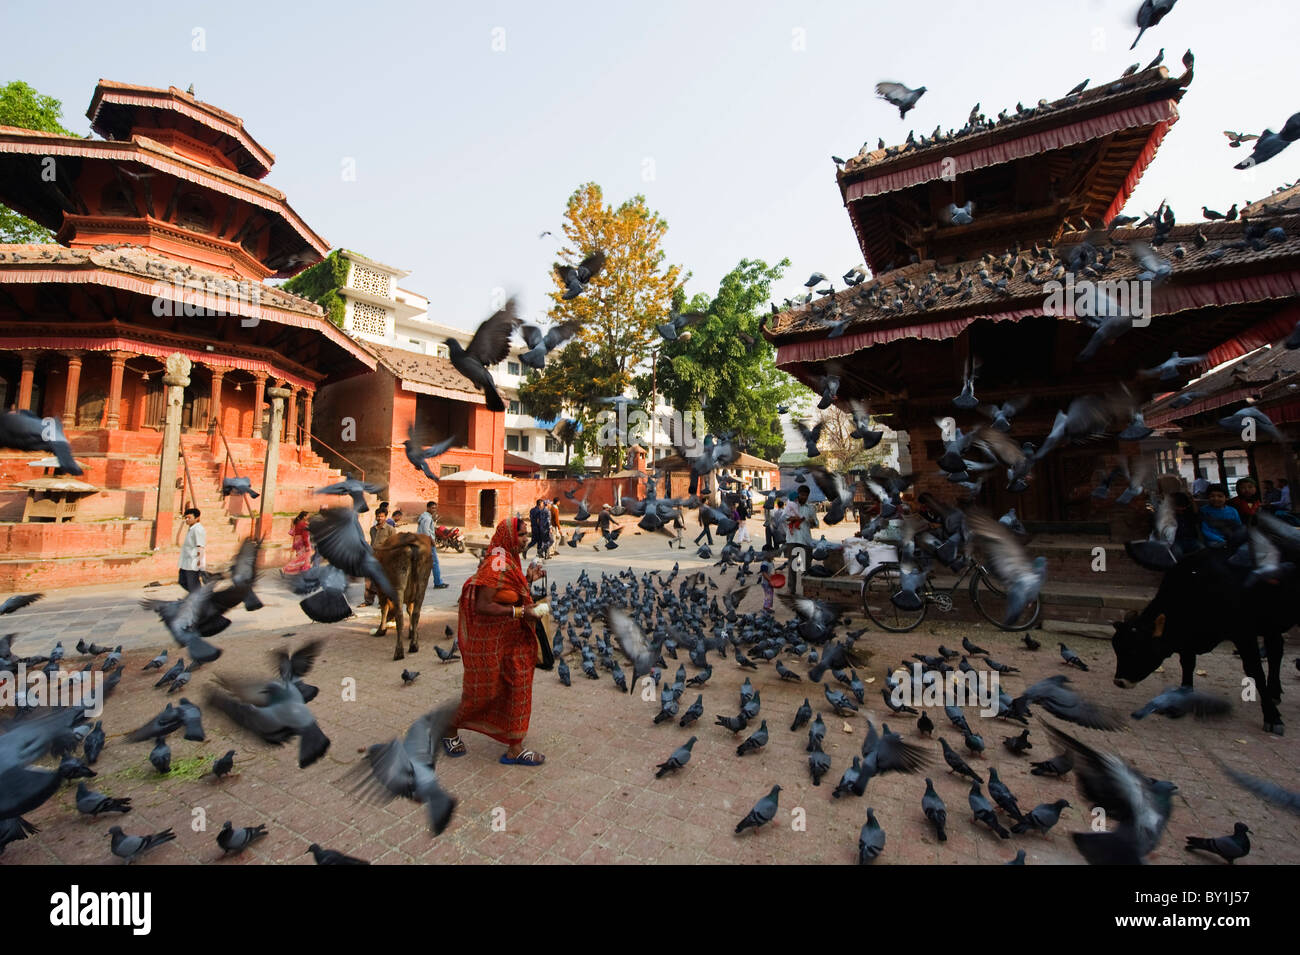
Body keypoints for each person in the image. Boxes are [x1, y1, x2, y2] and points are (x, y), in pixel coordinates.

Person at [440, 517, 547, 765]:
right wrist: (520, 612)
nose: (525, 539)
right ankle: (448, 727)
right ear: (508, 536)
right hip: (492, 641)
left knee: (519, 686)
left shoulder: (509, 559)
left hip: (513, 640)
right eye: (521, 535)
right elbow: (483, 604)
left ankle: (515, 748)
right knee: (483, 692)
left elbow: (509, 592)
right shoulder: (496, 563)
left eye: (526, 534)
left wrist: (528, 580)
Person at [362, 506, 395, 606]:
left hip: (384, 558)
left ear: (385, 517)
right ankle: (368, 600)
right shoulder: (372, 529)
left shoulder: (390, 530)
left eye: (381, 516)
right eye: (378, 516)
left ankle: (383, 602)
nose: (379, 518)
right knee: (368, 580)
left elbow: (393, 545)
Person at [416, 500, 449, 589]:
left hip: (421, 542)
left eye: (435, 508)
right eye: (432, 508)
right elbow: (426, 532)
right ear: (428, 508)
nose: (434, 509)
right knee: (435, 563)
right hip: (427, 543)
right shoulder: (427, 518)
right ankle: (438, 582)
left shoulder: (424, 516)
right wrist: (432, 542)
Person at [178, 507, 205, 592]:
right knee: (182, 581)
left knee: (193, 586)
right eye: (186, 518)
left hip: (193, 564)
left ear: (197, 518)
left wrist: (200, 564)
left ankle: (199, 601)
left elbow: (200, 546)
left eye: (189, 518)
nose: (187, 520)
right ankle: (197, 598)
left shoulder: (198, 529)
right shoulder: (191, 529)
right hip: (186, 562)